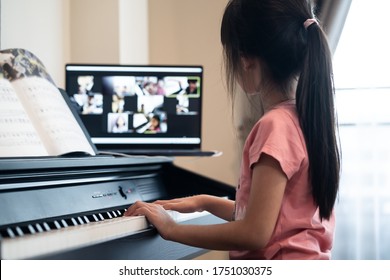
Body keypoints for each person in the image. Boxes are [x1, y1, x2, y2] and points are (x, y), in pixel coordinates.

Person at [125, 0, 341, 260]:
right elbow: (273, 215)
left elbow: (254, 232)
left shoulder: (274, 126)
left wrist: (171, 228)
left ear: (246, 59)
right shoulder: (304, 117)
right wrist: (203, 201)